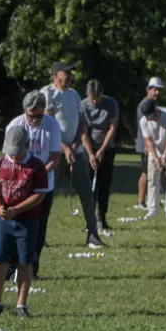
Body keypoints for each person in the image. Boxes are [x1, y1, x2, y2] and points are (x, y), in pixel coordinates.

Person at [0, 126, 48, 318]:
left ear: (28, 146)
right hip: (2, 221)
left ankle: (22, 304)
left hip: (27, 221)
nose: (13, 155)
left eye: (17, 152)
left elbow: (39, 195)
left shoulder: (36, 167)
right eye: (10, 152)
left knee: (24, 261)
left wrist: (16, 210)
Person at [40, 62, 105, 249]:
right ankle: (39, 237)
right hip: (53, 154)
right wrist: (63, 148)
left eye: (70, 72)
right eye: (65, 72)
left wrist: (75, 145)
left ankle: (92, 234)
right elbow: (48, 125)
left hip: (75, 153)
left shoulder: (74, 94)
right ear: (55, 75)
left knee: (86, 193)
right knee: (45, 197)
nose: (69, 75)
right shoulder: (47, 93)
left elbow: (82, 123)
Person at [4, 90, 61, 279]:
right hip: (17, 184)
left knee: (38, 228)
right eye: (31, 116)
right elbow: (9, 157)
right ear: (25, 111)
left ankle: (32, 268)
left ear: (44, 111)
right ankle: (11, 267)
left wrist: (37, 176)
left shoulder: (52, 125)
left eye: (38, 115)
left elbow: (54, 157)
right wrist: (22, 177)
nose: (35, 120)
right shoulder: (15, 126)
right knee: (15, 225)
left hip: (43, 184)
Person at [81, 79, 118, 229]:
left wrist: (102, 149)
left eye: (97, 97)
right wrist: (91, 153)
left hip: (107, 148)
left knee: (104, 184)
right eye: (92, 98)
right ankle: (90, 221)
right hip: (88, 147)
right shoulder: (83, 105)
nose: (95, 101)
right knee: (89, 186)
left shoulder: (111, 104)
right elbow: (83, 131)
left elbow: (112, 127)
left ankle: (102, 218)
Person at [139, 99, 166, 219]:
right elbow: (148, 141)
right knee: (152, 179)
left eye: (152, 116)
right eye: (148, 117)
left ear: (156, 110)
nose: (151, 119)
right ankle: (152, 209)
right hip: (155, 151)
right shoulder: (144, 121)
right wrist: (156, 158)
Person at [135, 78, 164, 211]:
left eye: (159, 90)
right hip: (146, 143)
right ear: (148, 89)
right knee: (146, 172)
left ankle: (154, 199)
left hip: (153, 142)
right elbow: (143, 126)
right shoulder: (145, 104)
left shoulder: (153, 103)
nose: (157, 92)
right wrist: (146, 144)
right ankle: (140, 201)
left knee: (155, 171)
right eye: (155, 89)